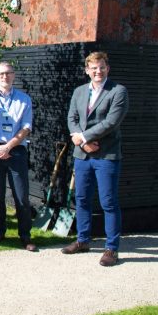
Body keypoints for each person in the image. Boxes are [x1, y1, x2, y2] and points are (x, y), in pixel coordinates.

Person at [63, 52, 129, 267]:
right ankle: (83, 241)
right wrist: (82, 142)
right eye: (93, 68)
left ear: (107, 68)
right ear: (87, 70)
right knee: (81, 199)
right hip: (82, 155)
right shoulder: (79, 92)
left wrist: (84, 136)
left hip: (106, 155)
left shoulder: (118, 91)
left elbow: (112, 122)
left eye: (101, 67)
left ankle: (111, 248)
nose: (97, 71)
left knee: (108, 202)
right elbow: (72, 118)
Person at [0, 61, 37, 252]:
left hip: (16, 151)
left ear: (14, 75)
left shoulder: (24, 99)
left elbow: (26, 127)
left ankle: (25, 235)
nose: (5, 77)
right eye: (1, 74)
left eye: (8, 73)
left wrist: (9, 146)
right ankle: (0, 232)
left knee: (21, 196)